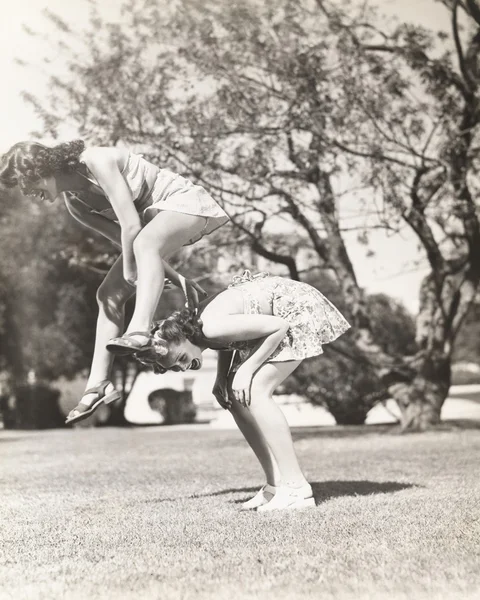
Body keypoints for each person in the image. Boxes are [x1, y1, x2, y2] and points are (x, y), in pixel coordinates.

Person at [0, 140, 229, 424]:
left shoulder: (96, 161)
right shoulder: (77, 206)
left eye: (26, 182)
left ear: (40, 168)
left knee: (144, 245)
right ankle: (97, 386)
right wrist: (178, 277)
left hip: (184, 203)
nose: (28, 192)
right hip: (154, 231)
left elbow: (133, 228)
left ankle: (140, 330)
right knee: (107, 294)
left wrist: (133, 270)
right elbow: (130, 246)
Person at [136, 270, 351, 511]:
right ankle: (275, 485)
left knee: (257, 391)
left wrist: (247, 369)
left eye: (181, 358)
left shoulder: (210, 327)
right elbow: (229, 343)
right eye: (177, 367)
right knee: (234, 397)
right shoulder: (200, 331)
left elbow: (278, 327)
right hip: (280, 317)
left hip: (295, 309)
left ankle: (296, 488)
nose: (184, 366)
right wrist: (221, 378)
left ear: (180, 337)